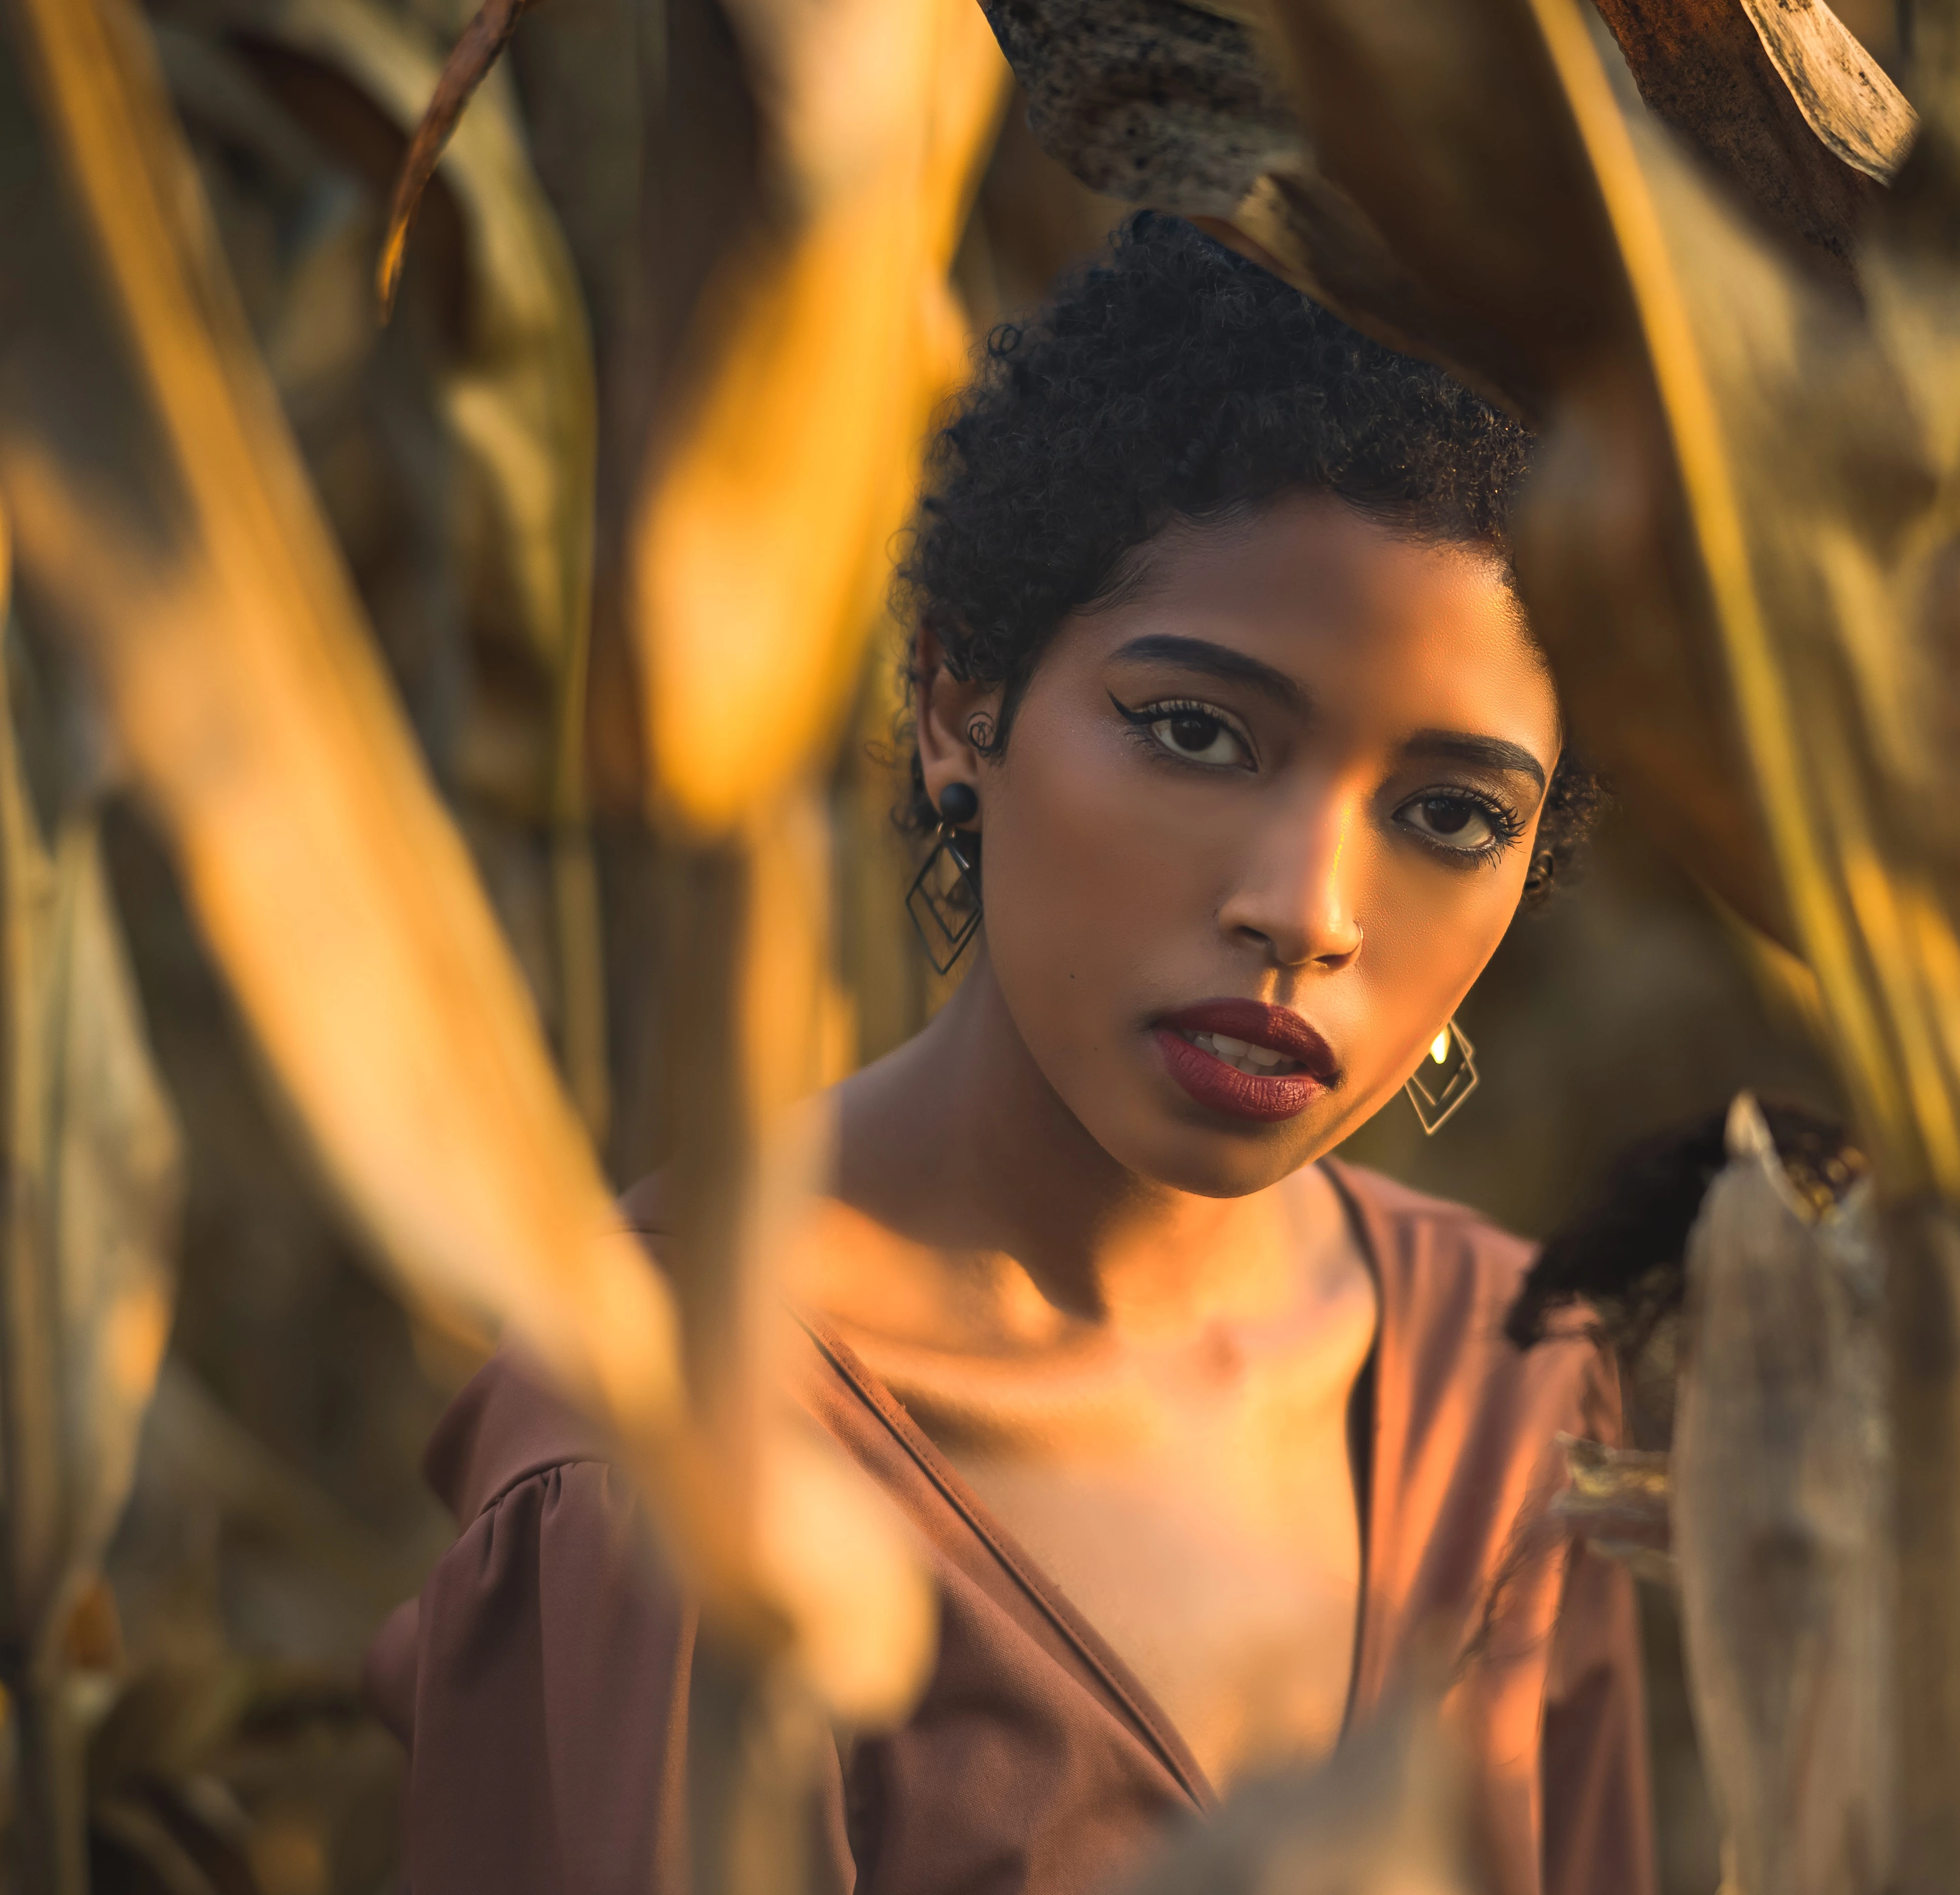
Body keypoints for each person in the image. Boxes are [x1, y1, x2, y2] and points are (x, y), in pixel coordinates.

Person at [363, 213, 1653, 1895]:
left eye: (1450, 815)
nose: (1306, 910)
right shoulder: (667, 1456)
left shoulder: (1515, 1387)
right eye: (1196, 732)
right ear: (957, 704)